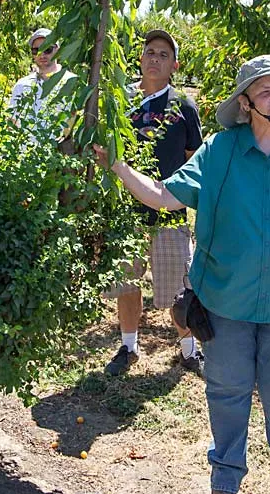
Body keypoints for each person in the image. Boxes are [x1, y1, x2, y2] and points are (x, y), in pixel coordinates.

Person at [95, 55, 270, 494]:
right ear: (246, 103)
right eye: (266, 90)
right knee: (227, 397)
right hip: (226, 306)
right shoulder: (220, 150)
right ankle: (225, 484)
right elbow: (163, 196)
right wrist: (116, 164)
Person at [101, 29, 205, 376]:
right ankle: (129, 347)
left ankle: (189, 350)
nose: (154, 58)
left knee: (177, 286)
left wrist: (179, 196)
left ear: (174, 65)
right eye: (149, 52)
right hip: (127, 213)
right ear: (140, 58)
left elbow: (194, 160)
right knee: (127, 283)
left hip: (170, 213)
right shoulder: (124, 102)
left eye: (163, 54)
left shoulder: (183, 106)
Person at [8, 28, 77, 134]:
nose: (42, 55)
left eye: (47, 49)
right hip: (26, 150)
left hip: (59, 149)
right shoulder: (21, 85)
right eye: (36, 51)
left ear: (57, 49)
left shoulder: (72, 82)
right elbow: (11, 124)